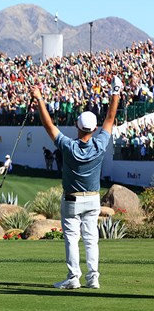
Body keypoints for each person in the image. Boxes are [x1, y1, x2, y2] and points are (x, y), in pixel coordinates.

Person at [31, 76, 121, 290]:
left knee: (72, 239)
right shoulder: (100, 144)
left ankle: (73, 278)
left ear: (77, 126)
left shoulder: (68, 146)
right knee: (91, 240)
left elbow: (48, 124)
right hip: (92, 200)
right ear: (93, 128)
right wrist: (115, 91)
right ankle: (93, 278)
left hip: (71, 200)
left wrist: (39, 99)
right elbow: (110, 117)